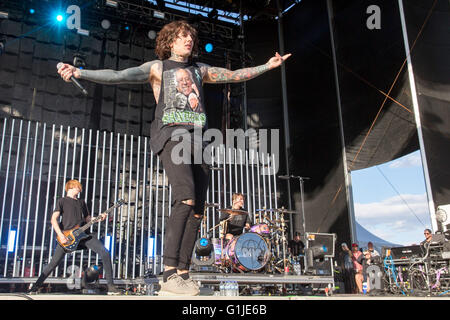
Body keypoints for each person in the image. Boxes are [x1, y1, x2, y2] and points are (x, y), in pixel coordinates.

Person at [57, 20, 291, 296]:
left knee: (198, 210)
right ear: (170, 41)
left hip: (200, 141)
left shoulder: (200, 70)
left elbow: (234, 75)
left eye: (190, 36)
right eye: (182, 36)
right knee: (185, 198)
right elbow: (118, 75)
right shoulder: (158, 68)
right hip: (172, 136)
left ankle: (182, 271)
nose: (188, 40)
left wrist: (267, 66)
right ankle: (168, 272)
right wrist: (79, 71)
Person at [28, 180, 119, 294]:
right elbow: (53, 219)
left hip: (83, 235)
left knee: (105, 252)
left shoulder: (81, 202)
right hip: (67, 237)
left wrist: (99, 218)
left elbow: (88, 219)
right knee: (53, 263)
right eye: (77, 187)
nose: (79, 189)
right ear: (70, 187)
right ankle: (35, 287)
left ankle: (111, 287)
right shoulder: (62, 201)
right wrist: (60, 235)